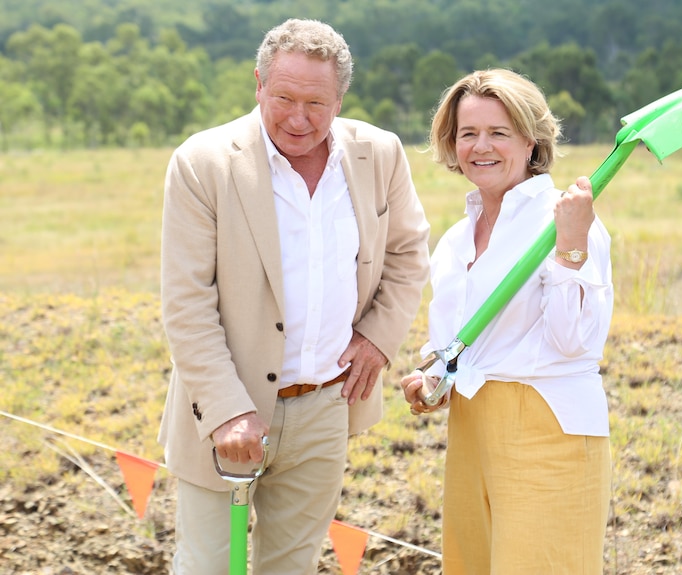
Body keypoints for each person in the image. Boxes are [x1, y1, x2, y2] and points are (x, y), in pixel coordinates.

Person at [158, 18, 430, 575]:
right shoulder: (202, 163)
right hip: (223, 413)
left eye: (316, 103)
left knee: (292, 568)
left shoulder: (380, 154)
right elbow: (187, 303)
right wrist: (229, 411)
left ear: (340, 99)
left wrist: (379, 337)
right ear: (258, 83)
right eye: (283, 98)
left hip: (326, 408)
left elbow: (408, 253)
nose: (298, 118)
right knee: (207, 568)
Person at [400, 69, 614, 575]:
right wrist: (434, 378)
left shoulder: (566, 221)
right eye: (468, 133)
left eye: (499, 132)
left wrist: (570, 249)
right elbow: (456, 347)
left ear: (531, 139)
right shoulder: (455, 238)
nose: (481, 146)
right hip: (472, 426)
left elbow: (572, 343)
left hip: (549, 426)